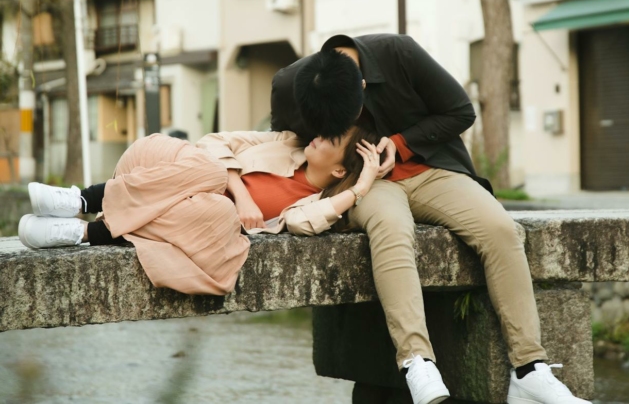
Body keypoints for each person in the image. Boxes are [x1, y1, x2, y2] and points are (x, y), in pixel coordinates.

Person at [270, 34, 591, 404]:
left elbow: (461, 112)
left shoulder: (400, 54)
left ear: (362, 85)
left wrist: (399, 143)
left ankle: (528, 370)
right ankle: (416, 361)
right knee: (391, 229)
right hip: (364, 184)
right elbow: (280, 146)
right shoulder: (289, 85)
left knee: (501, 229)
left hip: (429, 169)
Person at [18, 125, 381, 296]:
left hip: (194, 221)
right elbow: (213, 143)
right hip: (154, 172)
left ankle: (78, 230)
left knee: (219, 211)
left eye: (330, 140)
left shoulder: (315, 203)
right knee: (202, 166)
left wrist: (361, 188)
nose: (318, 136)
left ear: (338, 170)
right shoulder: (283, 142)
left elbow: (303, 225)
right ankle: (80, 202)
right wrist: (241, 193)